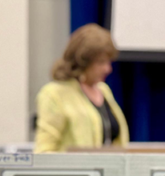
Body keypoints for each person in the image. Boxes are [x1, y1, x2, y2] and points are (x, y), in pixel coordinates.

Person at [35, 24, 129, 153]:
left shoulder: (104, 90)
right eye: (101, 62)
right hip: (74, 167)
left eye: (109, 62)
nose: (107, 69)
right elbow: (44, 150)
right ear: (82, 61)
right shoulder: (54, 94)